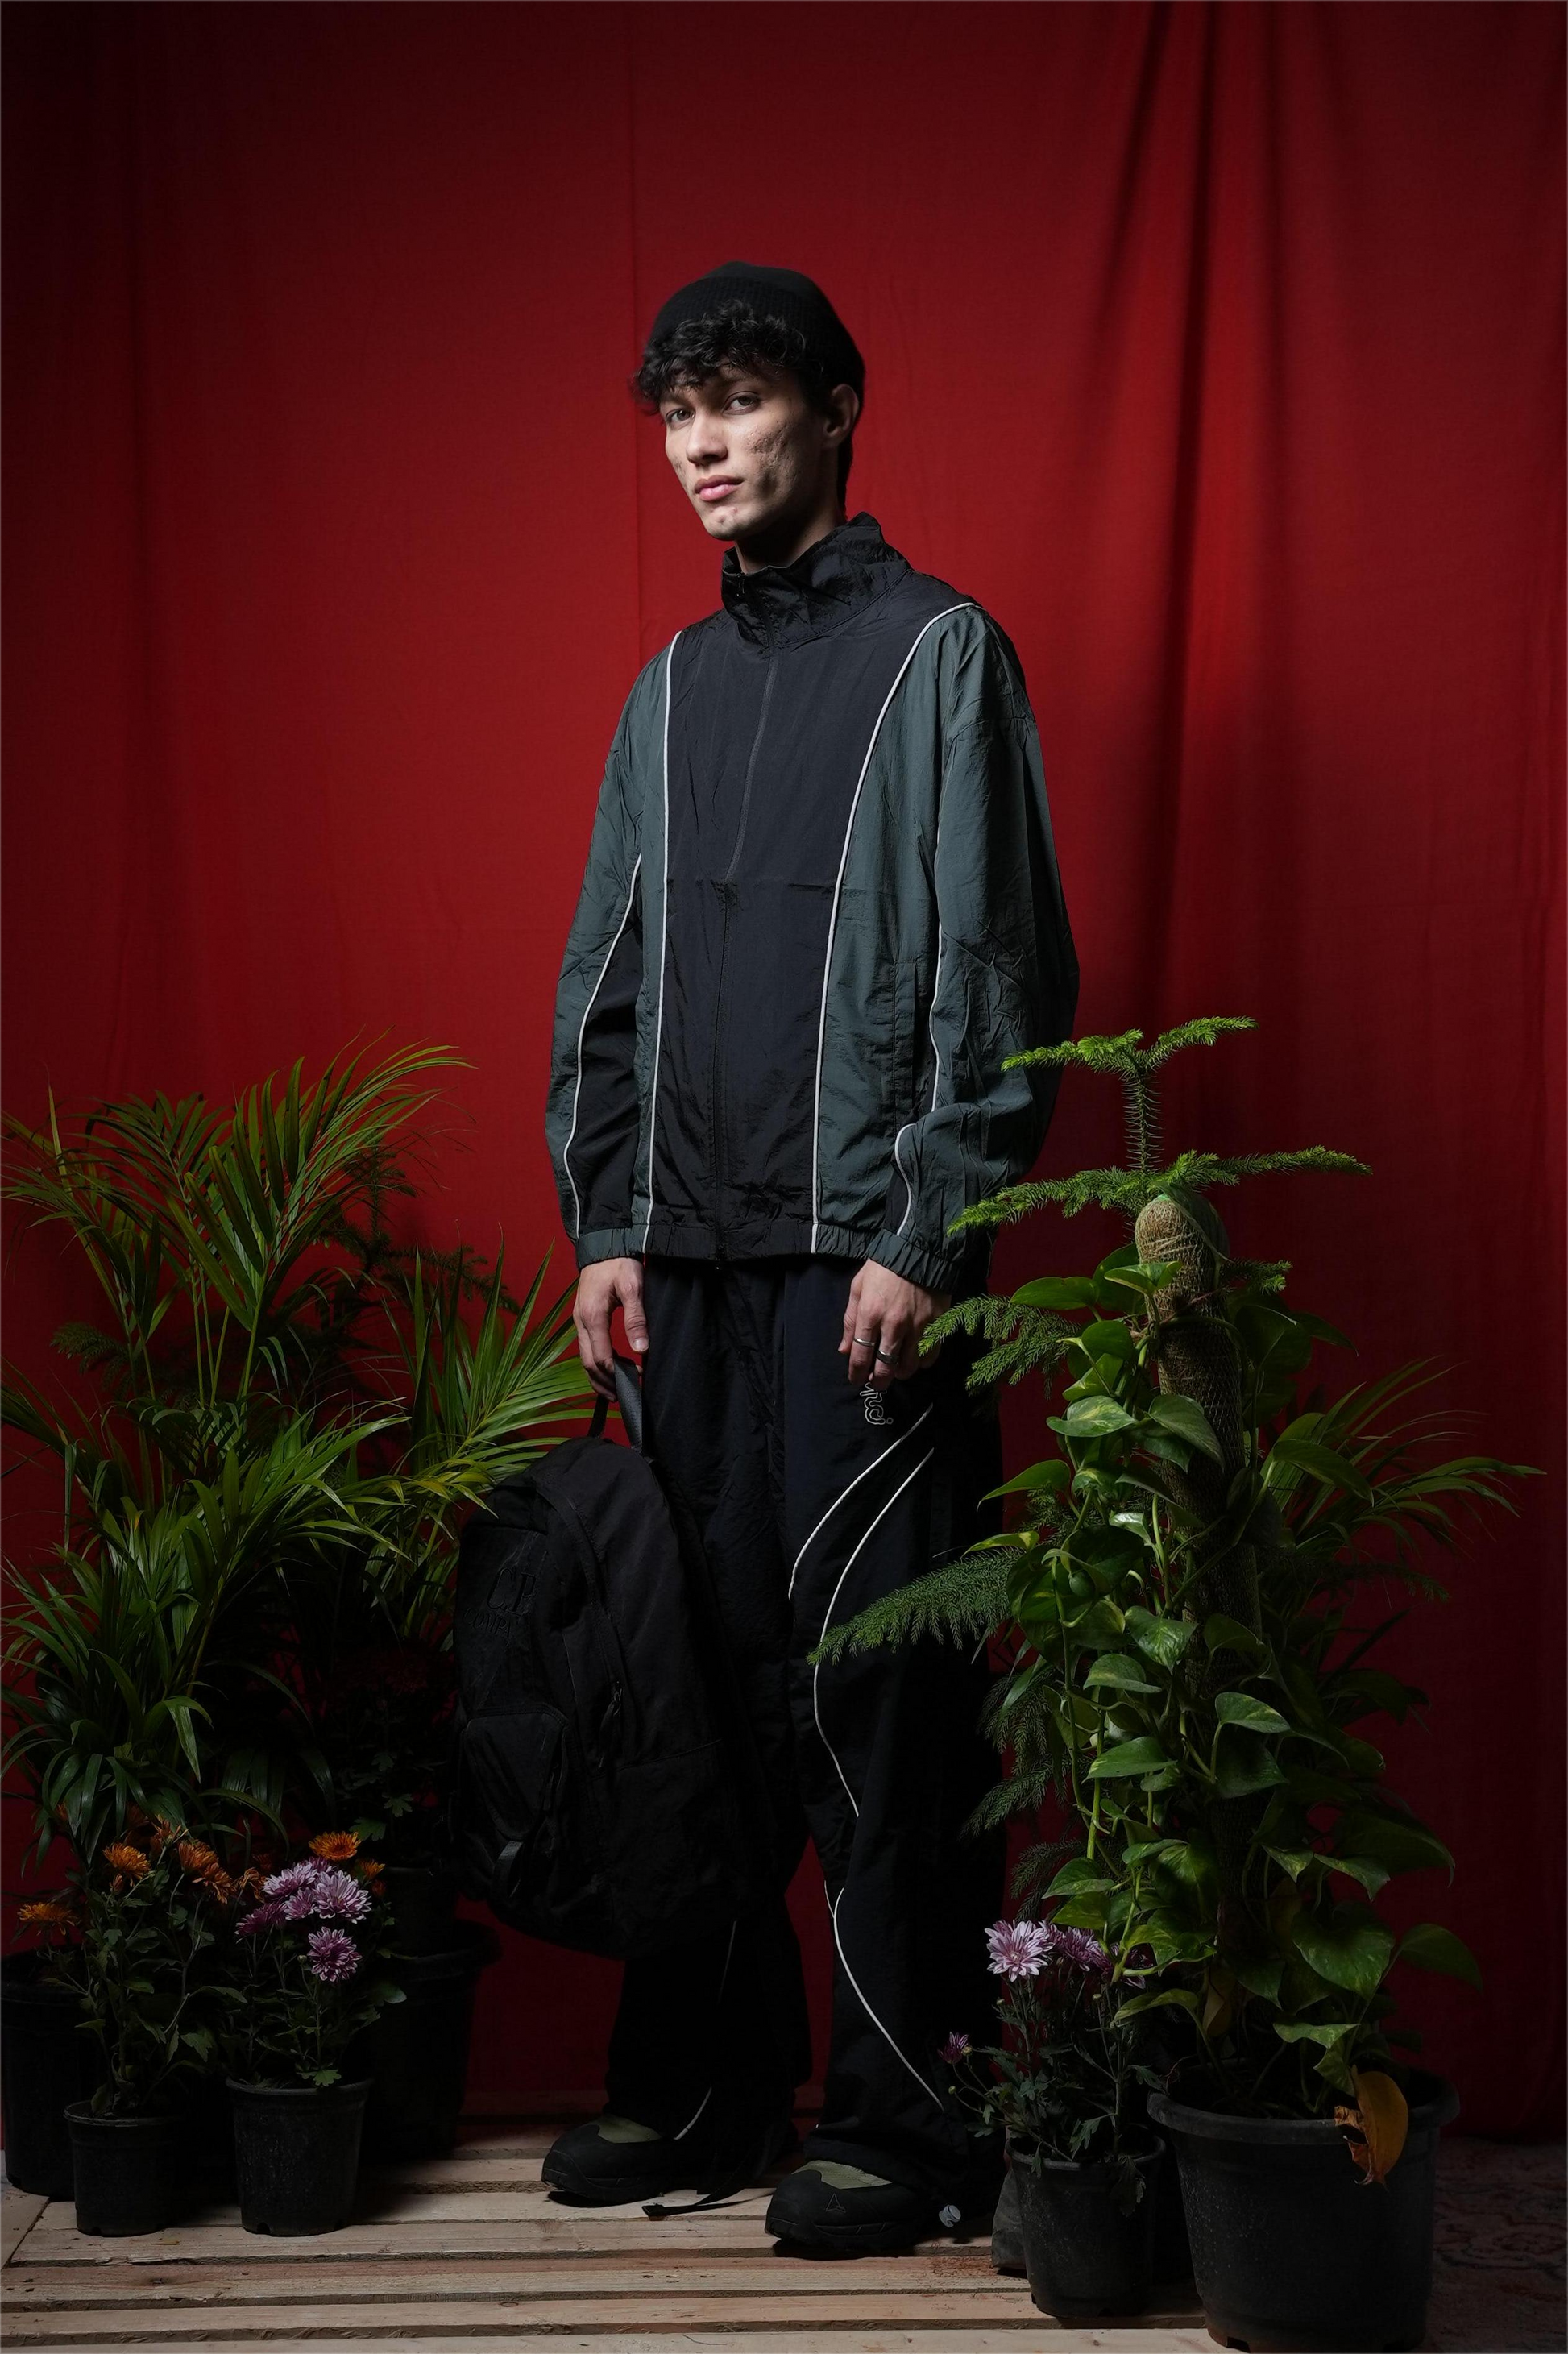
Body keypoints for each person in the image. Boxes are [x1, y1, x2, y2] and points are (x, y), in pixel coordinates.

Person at [543, 261, 1077, 2253]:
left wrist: (927, 1230)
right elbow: (603, 977)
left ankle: (909, 2125)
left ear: (835, 410)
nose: (702, 442)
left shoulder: (943, 656)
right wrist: (606, 1223)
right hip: (686, 1268)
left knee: (881, 1691)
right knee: (695, 1691)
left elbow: (999, 970)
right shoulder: (666, 691)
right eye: (678, 410)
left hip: (861, 1268)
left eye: (741, 399)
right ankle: (702, 2086)